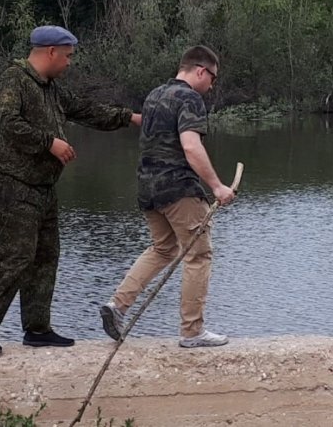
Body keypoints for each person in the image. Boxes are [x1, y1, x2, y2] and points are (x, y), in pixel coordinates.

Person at [0, 26, 142, 355]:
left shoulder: (52, 90)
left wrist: (132, 118)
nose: (70, 63)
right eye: (68, 56)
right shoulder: (14, 79)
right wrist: (50, 143)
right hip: (14, 182)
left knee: (45, 256)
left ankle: (37, 329)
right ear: (50, 52)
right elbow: (7, 122)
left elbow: (87, 111)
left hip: (44, 186)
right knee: (14, 255)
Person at [99, 45, 235, 348]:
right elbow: (190, 146)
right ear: (200, 71)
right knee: (198, 255)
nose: (211, 86)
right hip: (179, 190)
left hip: (148, 189)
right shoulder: (190, 98)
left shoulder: (154, 94)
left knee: (162, 249)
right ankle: (192, 332)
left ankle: (117, 305)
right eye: (212, 78)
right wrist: (216, 186)